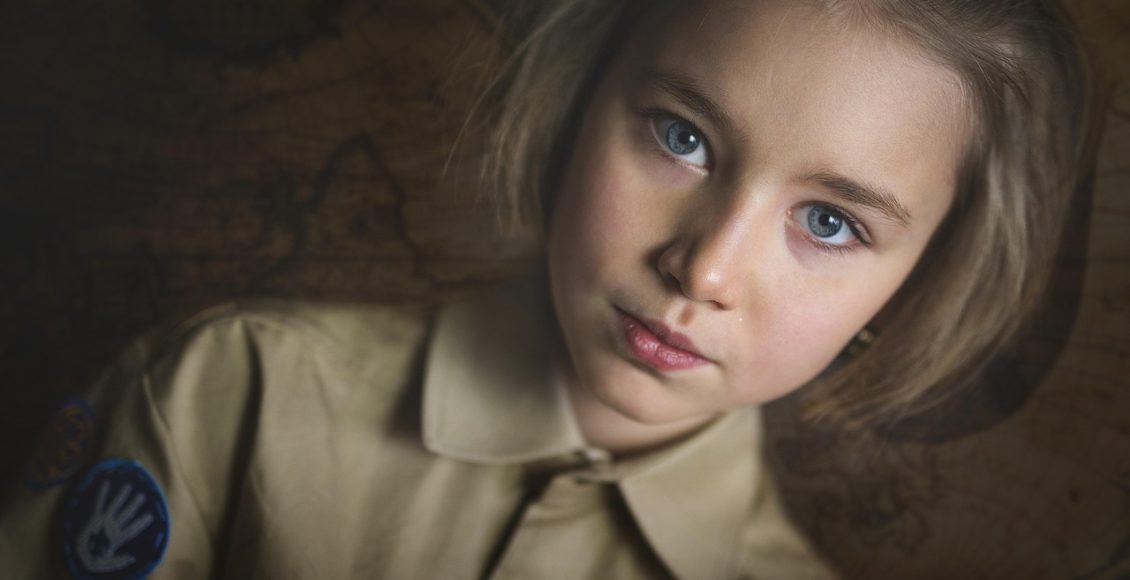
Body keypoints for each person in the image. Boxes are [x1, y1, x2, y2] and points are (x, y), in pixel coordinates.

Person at [0, 0, 1098, 578]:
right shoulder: (230, 395)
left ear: (906, 292)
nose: (702, 269)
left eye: (828, 222)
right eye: (681, 137)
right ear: (579, 106)